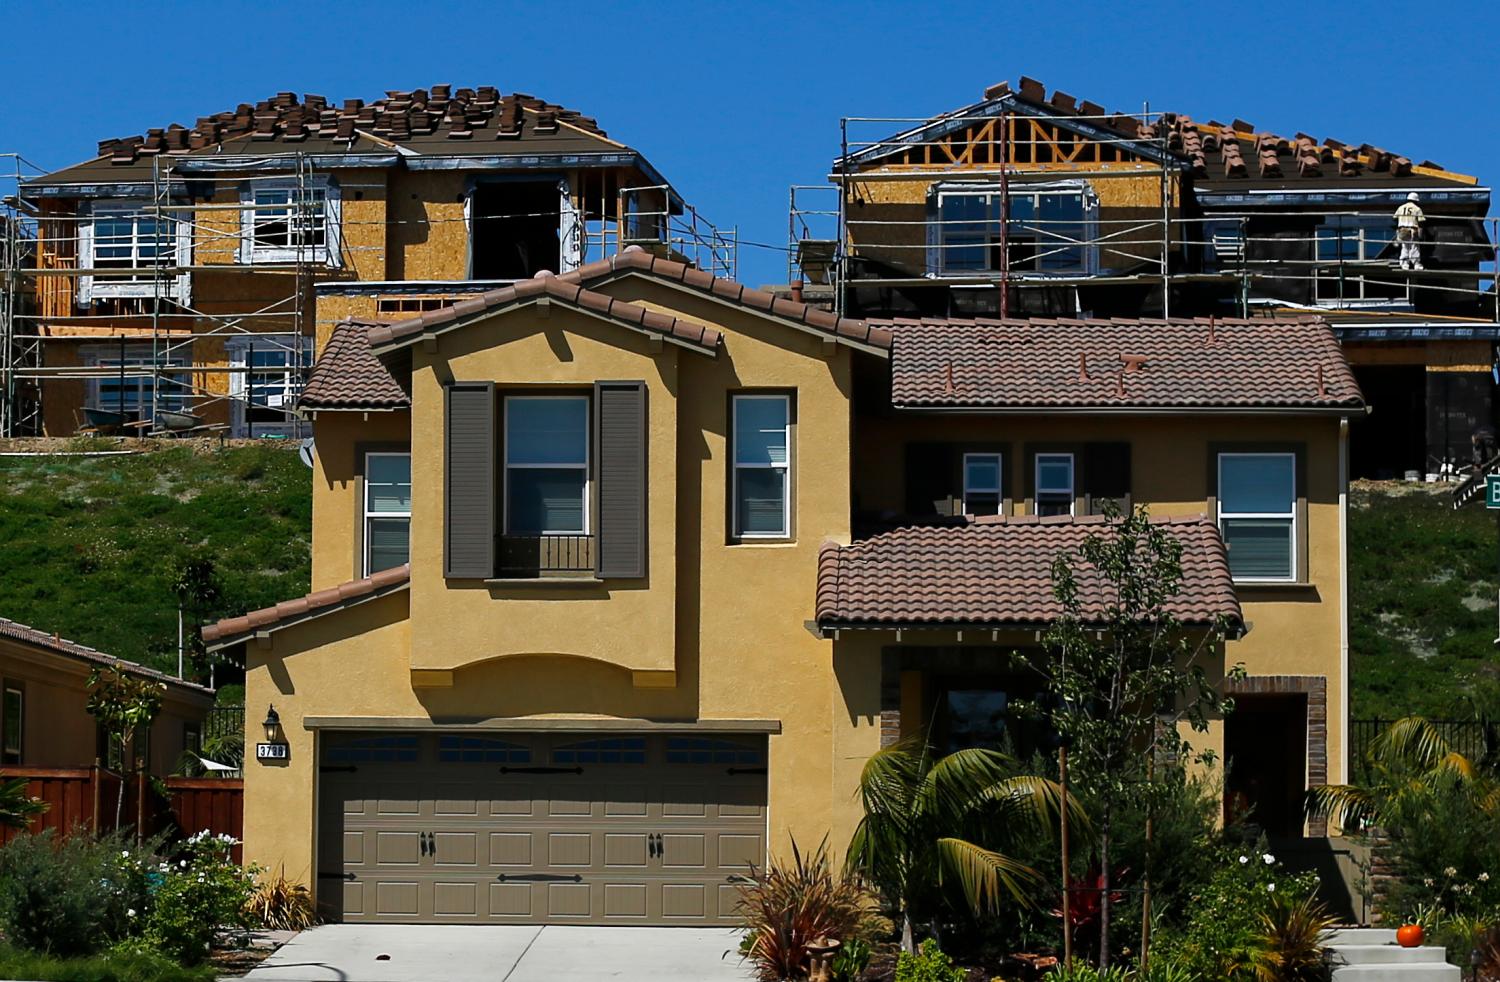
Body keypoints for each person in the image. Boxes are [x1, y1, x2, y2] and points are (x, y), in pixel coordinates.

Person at [1395, 191, 1425, 270]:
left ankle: (1404, 264)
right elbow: (1421, 222)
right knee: (1414, 247)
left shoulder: (1400, 207)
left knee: (1404, 247)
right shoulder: (1417, 208)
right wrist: (1420, 234)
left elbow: (1395, 218)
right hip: (1412, 230)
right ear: (1416, 200)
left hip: (1402, 229)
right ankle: (1416, 264)